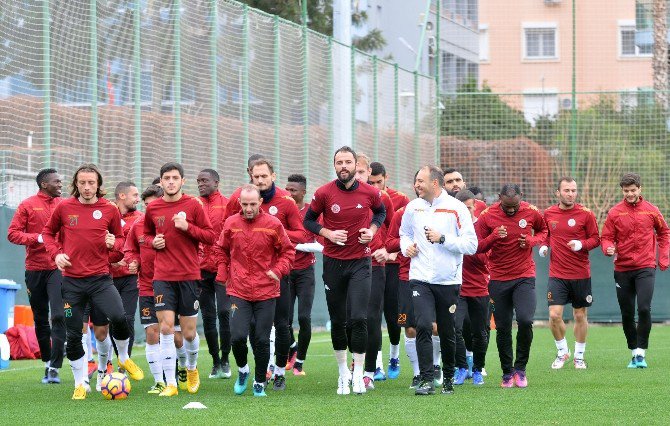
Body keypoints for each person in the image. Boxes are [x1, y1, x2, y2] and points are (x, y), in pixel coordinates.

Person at [42, 164, 144, 400]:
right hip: (72, 282)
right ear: (75, 184)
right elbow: (47, 234)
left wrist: (113, 245)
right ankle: (80, 383)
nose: (87, 187)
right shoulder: (64, 208)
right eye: (82, 183)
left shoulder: (109, 210)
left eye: (91, 183)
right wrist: (56, 253)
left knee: (119, 317)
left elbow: (120, 246)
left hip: (100, 280)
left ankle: (124, 358)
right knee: (74, 334)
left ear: (98, 184)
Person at [303, 146, 386, 395]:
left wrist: (371, 231)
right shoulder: (323, 193)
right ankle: (343, 374)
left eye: (348, 162)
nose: (343, 167)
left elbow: (381, 213)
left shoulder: (370, 192)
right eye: (339, 162)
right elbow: (308, 220)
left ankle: (359, 375)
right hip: (333, 263)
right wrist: (327, 233)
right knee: (338, 321)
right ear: (334, 165)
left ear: (355, 165)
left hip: (360, 262)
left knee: (359, 318)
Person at [400, 165, 477, 396]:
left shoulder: (456, 208)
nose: (416, 185)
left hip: (448, 280)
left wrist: (443, 238)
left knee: (447, 331)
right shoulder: (412, 207)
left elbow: (471, 245)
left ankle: (449, 378)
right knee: (422, 325)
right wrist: (407, 248)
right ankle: (425, 379)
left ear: (435, 183)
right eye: (416, 181)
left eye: (421, 181)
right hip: (420, 278)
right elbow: (404, 234)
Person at [144, 162, 217, 396]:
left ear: (182, 181)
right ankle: (171, 384)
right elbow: (145, 234)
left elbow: (210, 236)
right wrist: (151, 242)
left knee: (188, 334)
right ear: (161, 181)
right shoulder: (153, 208)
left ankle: (192, 368)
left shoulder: (193, 206)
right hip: (163, 277)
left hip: (189, 276)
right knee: (165, 329)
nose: (171, 181)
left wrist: (187, 227)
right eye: (167, 178)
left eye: (175, 177)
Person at [215, 184, 295, 397]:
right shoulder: (231, 223)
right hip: (238, 290)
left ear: (260, 202)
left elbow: (288, 252)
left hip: (266, 291)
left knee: (261, 339)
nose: (249, 208)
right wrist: (223, 273)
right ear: (239, 203)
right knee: (237, 337)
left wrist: (278, 270)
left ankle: (260, 381)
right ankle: (243, 371)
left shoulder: (273, 224)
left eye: (252, 204)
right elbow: (221, 250)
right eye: (245, 204)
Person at [475, 183, 547, 388]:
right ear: (499, 198)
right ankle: (507, 372)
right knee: (503, 327)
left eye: (514, 206)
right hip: (498, 279)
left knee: (525, 320)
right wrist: (493, 237)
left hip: (524, 276)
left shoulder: (532, 211)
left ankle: (520, 369)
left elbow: (544, 232)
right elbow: (477, 245)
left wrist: (532, 241)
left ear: (521, 197)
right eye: (507, 207)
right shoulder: (488, 215)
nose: (511, 210)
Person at [601, 172, 670, 368]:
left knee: (644, 308)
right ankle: (633, 351)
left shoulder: (651, 210)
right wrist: (608, 248)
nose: (629, 194)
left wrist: (663, 257)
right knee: (627, 312)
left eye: (633, 190)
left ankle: (641, 352)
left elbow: (664, 232)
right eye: (626, 191)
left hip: (645, 266)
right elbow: (605, 237)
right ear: (622, 191)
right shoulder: (615, 212)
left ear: (640, 189)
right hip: (622, 268)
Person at [7, 168, 65, 384]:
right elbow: (12, 233)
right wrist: (38, 238)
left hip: (57, 267)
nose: (61, 184)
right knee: (41, 318)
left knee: (58, 315)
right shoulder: (27, 205)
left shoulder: (64, 205)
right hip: (34, 269)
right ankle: (47, 363)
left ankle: (56, 367)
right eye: (57, 182)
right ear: (44, 184)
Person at [539, 177, 600, 370]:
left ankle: (579, 356)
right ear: (558, 193)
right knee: (554, 315)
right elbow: (545, 234)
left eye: (573, 190)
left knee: (580, 315)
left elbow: (596, 239)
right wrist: (543, 245)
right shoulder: (548, 213)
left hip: (581, 273)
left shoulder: (586, 214)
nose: (571, 194)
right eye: (566, 190)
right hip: (557, 274)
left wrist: (582, 244)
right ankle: (562, 351)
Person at [354, 154, 394, 389]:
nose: (357, 175)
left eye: (361, 171)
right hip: (346, 263)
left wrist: (386, 250)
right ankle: (355, 362)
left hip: (375, 264)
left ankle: (369, 370)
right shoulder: (335, 195)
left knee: (371, 317)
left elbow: (392, 227)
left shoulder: (382, 198)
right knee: (350, 318)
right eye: (354, 170)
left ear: (368, 172)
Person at [124, 184, 165, 393]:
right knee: (152, 332)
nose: (149, 209)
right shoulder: (138, 225)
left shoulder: (174, 223)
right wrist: (134, 261)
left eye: (153, 205)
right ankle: (159, 381)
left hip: (172, 285)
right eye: (146, 205)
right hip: (147, 287)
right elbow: (130, 250)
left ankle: (180, 370)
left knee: (175, 335)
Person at [369, 161, 405, 380]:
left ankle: (394, 355)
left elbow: (403, 233)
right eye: (370, 182)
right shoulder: (363, 198)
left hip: (393, 266)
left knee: (394, 317)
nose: (375, 186)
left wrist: (391, 253)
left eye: (378, 182)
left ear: (386, 178)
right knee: (372, 316)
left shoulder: (399, 199)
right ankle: (378, 364)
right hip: (370, 265)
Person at [196, 168, 232, 380]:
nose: (201, 183)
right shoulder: (194, 204)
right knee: (208, 316)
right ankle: (215, 361)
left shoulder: (227, 205)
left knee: (224, 313)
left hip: (222, 267)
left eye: (205, 180)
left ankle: (226, 359)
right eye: (198, 181)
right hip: (199, 269)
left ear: (216, 183)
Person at [285, 174, 321, 376]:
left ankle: (299, 362)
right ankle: (292, 347)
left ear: (303, 192)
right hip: (286, 271)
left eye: (293, 190)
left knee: (304, 318)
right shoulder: (282, 210)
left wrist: (297, 244)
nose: (289, 194)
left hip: (306, 272)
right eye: (287, 189)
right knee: (284, 319)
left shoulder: (311, 213)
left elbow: (318, 244)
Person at [453, 190, 490, 386]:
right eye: (462, 208)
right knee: (454, 328)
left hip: (479, 288)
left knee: (480, 332)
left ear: (474, 206)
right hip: (457, 288)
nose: (466, 211)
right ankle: (461, 368)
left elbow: (485, 256)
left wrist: (470, 247)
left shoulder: (481, 227)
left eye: (469, 207)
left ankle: (477, 369)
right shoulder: (451, 226)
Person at [109, 181, 142, 359]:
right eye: (135, 195)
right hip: (107, 279)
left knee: (127, 318)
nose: (138, 199)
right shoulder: (106, 214)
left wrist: (132, 260)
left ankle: (124, 362)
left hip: (130, 277)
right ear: (122, 196)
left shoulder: (140, 218)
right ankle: (107, 363)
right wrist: (111, 261)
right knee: (113, 319)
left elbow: (142, 245)